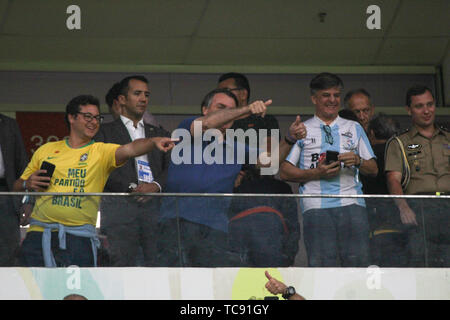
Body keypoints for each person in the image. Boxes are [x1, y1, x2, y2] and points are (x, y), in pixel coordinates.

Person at [13, 94, 175, 267]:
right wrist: (26, 183)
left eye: (97, 118)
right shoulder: (46, 150)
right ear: (71, 117)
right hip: (39, 234)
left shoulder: (100, 151)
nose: (94, 122)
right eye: (88, 116)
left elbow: (130, 148)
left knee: (78, 293)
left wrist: (153, 141)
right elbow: (16, 186)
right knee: (34, 292)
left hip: (79, 238)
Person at [157, 88, 306, 267]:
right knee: (174, 288)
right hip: (176, 223)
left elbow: (270, 162)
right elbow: (205, 125)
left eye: (230, 111)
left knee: (210, 289)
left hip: (216, 229)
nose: (226, 114)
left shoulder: (235, 148)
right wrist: (247, 109)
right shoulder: (186, 129)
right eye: (221, 108)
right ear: (205, 110)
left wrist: (290, 138)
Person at [280, 72, 378, 267]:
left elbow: (374, 169)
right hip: (316, 206)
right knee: (322, 267)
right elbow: (284, 172)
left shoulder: (354, 127)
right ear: (314, 98)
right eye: (326, 95)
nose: (332, 100)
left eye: (336, 95)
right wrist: (317, 173)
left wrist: (357, 160)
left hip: (352, 204)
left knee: (358, 266)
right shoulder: (303, 129)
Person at [94, 75, 171, 267]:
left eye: (146, 94)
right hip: (119, 212)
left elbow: (173, 168)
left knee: (156, 270)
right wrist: (132, 188)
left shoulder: (160, 133)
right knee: (121, 269)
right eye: (137, 94)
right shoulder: (104, 132)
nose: (143, 99)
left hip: (155, 213)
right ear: (121, 99)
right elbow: (102, 167)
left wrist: (155, 186)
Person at [385, 85, 450, 267]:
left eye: (430, 105)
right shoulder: (399, 142)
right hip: (419, 208)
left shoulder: (448, 138)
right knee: (421, 263)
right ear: (409, 110)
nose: (426, 111)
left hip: (448, 204)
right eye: (419, 106)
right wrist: (403, 207)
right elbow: (393, 180)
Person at [217, 72, 306, 167]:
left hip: (258, 179)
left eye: (226, 91)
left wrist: (290, 138)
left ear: (243, 94)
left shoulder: (265, 120)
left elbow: (267, 160)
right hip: (225, 179)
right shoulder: (218, 123)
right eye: (218, 93)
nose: (221, 96)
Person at [228, 165, 300, 267]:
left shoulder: (239, 190)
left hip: (241, 251)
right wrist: (289, 258)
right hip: (273, 248)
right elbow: (293, 228)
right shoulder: (283, 188)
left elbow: (228, 223)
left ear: (243, 173)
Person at [362, 113, 407, 267]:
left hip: (373, 226)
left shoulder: (366, 158)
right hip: (404, 222)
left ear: (372, 133)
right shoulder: (403, 154)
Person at [0, 114, 29, 266]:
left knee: (9, 249)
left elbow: (22, 164)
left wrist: (27, 201)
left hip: (6, 191)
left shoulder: (8, 124)